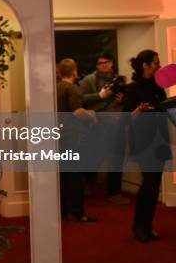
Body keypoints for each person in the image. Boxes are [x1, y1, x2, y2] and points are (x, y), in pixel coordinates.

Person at [123, 50, 170, 243]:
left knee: (154, 186)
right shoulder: (132, 89)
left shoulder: (159, 87)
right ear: (145, 65)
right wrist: (139, 110)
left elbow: (165, 109)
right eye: (156, 63)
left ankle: (148, 226)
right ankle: (140, 226)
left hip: (160, 139)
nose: (159, 66)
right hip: (143, 141)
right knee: (149, 184)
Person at [79, 51, 130, 205]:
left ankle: (114, 192)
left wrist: (123, 99)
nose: (104, 65)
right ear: (96, 65)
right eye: (101, 63)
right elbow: (80, 98)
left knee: (116, 158)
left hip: (117, 122)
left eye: (107, 62)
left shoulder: (120, 80)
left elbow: (128, 99)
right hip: (97, 122)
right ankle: (87, 185)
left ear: (112, 63)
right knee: (94, 156)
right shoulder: (89, 80)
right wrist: (99, 96)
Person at [57, 58, 97, 223]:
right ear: (74, 71)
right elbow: (76, 111)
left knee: (63, 176)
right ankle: (77, 212)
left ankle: (63, 210)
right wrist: (91, 115)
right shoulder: (72, 88)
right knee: (76, 176)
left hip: (59, 135)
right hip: (73, 136)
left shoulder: (56, 88)